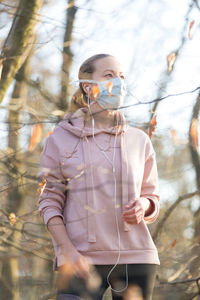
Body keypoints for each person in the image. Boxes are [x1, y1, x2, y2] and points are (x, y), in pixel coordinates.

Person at [37, 53, 160, 300]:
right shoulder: (60, 139)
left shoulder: (139, 140)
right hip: (79, 259)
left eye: (122, 76)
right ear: (88, 86)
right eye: (109, 75)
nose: (119, 82)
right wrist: (69, 252)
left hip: (136, 258)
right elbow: (49, 203)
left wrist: (144, 205)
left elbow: (152, 195)